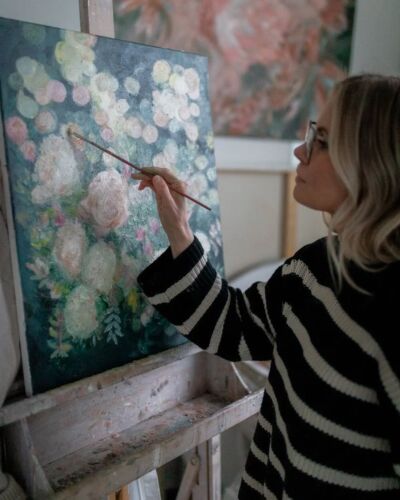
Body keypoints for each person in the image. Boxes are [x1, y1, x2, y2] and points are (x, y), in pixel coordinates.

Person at [134, 74, 400, 499]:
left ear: (370, 162)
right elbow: (231, 324)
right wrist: (179, 229)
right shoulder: (314, 268)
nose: (300, 151)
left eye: (321, 140)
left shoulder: (388, 311)